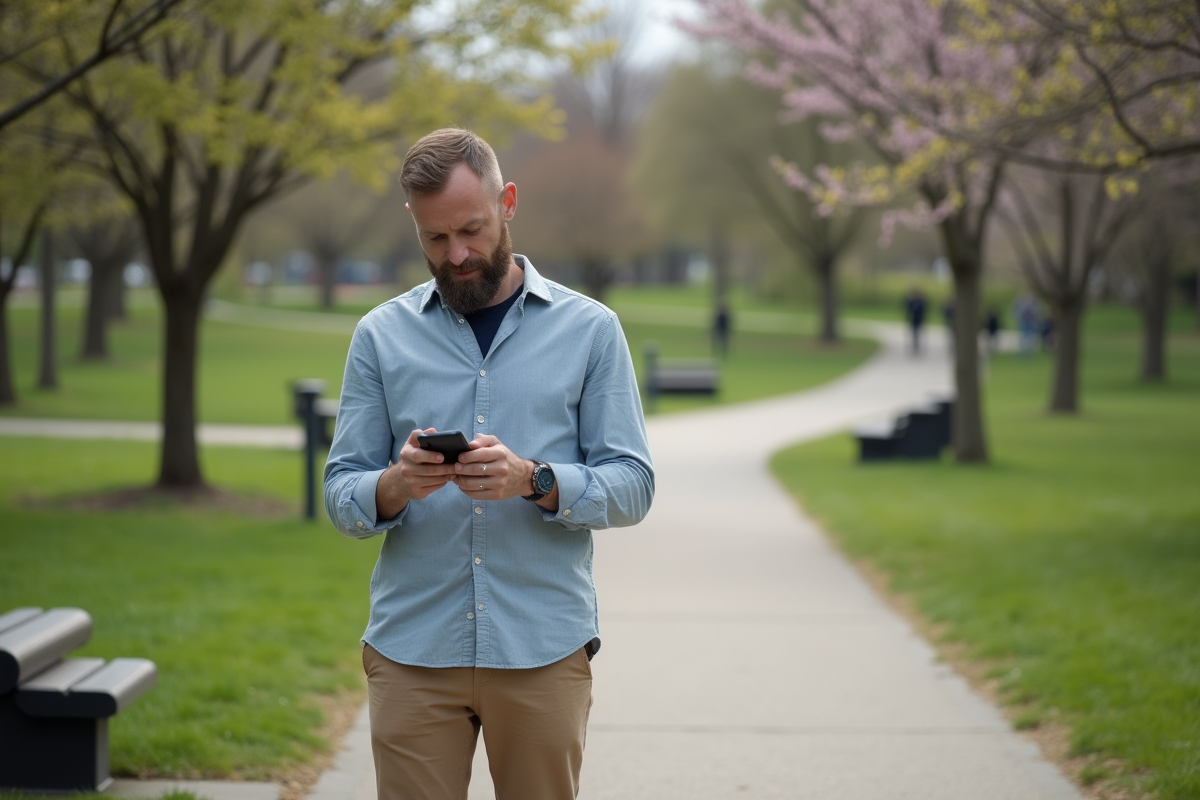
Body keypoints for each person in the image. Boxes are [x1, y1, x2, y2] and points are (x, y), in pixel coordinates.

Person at [323, 128, 655, 800]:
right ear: (413, 223)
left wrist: (535, 480)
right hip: (412, 649)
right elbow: (340, 491)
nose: (458, 254)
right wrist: (394, 486)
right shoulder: (379, 337)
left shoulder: (592, 330)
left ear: (507, 202)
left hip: (541, 647)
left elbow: (634, 484)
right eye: (437, 239)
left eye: (471, 230)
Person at [903, 287, 927, 355]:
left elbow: (924, 311)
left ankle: (917, 345)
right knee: (914, 333)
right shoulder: (912, 301)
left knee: (918, 333)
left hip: (919, 319)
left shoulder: (921, 302)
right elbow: (908, 309)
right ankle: (915, 346)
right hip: (913, 319)